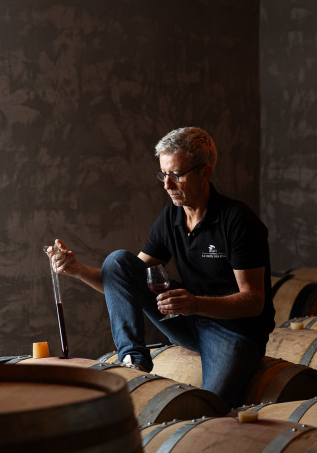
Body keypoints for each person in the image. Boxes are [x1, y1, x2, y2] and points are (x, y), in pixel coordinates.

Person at [48, 127, 276, 408]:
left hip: (235, 331)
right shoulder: (171, 217)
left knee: (210, 408)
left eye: (176, 175)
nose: (167, 185)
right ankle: (133, 360)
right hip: (190, 321)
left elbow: (253, 301)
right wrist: (78, 270)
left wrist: (195, 303)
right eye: (162, 174)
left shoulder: (237, 220)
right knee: (117, 261)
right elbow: (123, 282)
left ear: (204, 172)